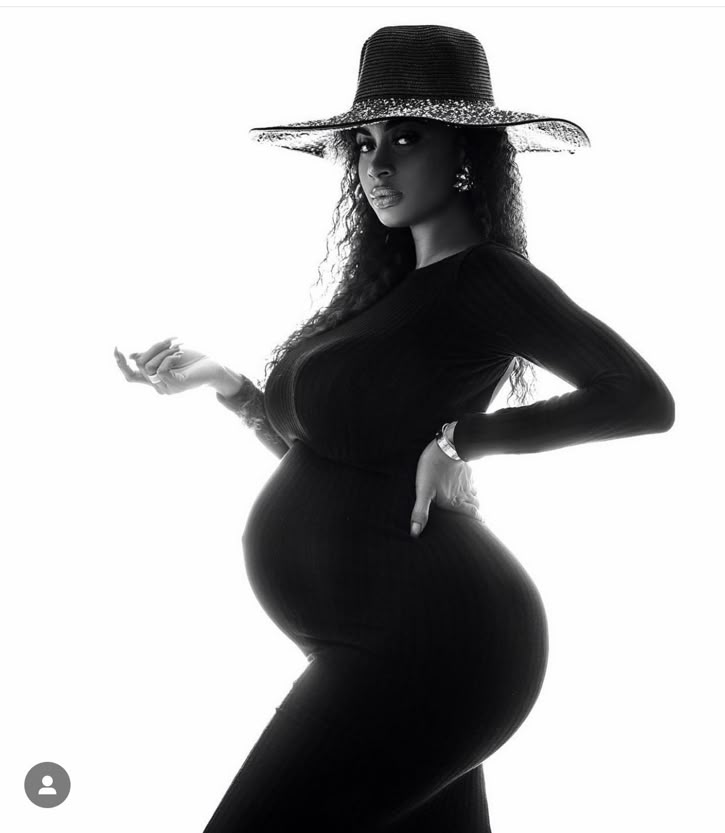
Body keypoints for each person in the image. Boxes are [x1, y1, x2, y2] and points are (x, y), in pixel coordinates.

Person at [114, 24, 675, 833]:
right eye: (365, 141)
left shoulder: (487, 278)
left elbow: (641, 399)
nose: (376, 164)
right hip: (387, 643)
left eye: (406, 138)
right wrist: (227, 384)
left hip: (437, 645)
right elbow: (338, 461)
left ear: (466, 152)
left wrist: (464, 441)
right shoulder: (381, 293)